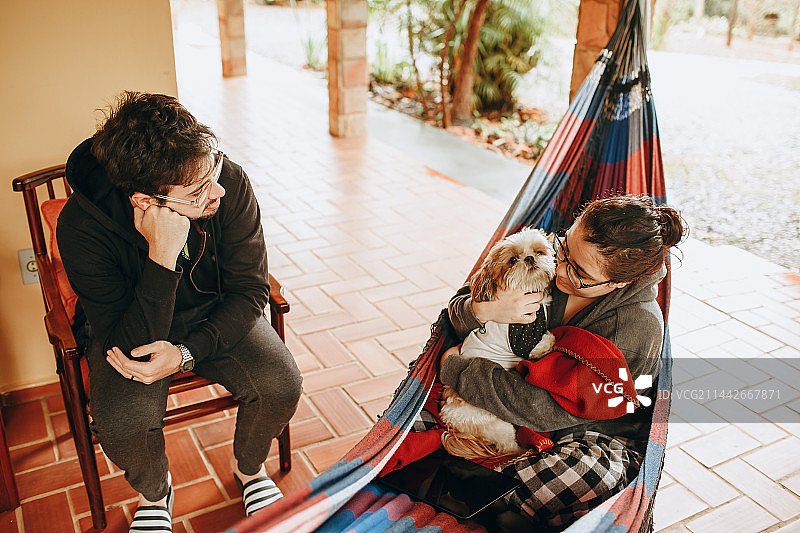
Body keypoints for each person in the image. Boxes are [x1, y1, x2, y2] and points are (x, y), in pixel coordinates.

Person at [57, 92, 303, 532]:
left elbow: (249, 289)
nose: (219, 191)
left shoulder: (227, 181)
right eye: (197, 191)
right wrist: (161, 255)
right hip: (130, 331)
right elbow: (124, 341)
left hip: (215, 313)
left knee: (280, 383)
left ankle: (249, 469)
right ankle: (156, 491)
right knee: (120, 425)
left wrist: (187, 353)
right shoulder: (80, 228)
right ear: (145, 201)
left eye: (213, 169)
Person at [440, 195, 686, 531]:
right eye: (564, 248)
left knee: (589, 476)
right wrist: (482, 311)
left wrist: (460, 372)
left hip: (586, 429)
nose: (559, 268)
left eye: (580, 272)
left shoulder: (637, 328)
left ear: (619, 283)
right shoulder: (550, 253)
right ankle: (500, 493)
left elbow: (548, 411)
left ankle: (489, 488)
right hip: (507, 395)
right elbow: (457, 308)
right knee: (422, 417)